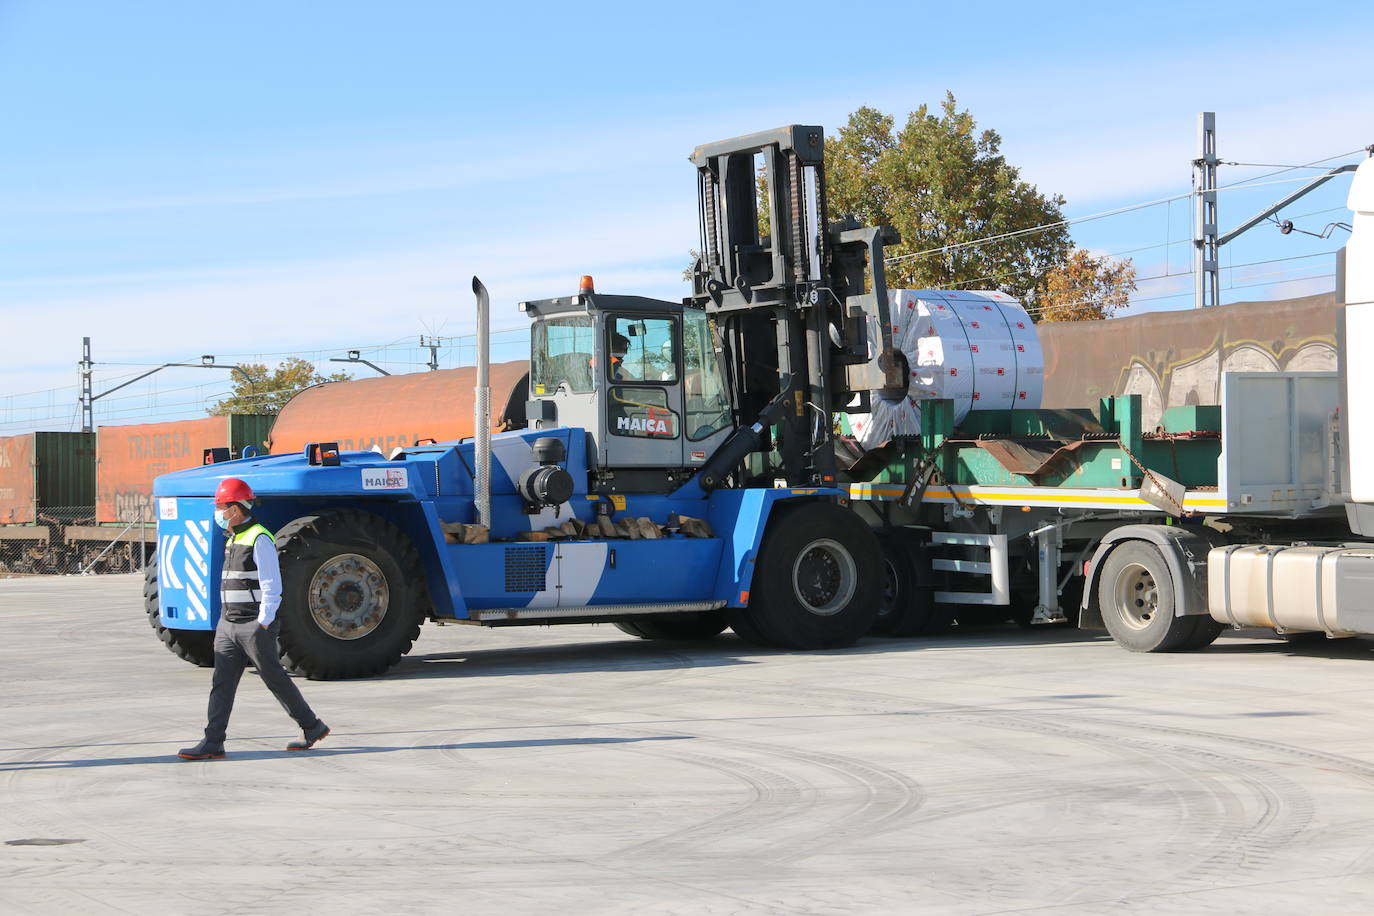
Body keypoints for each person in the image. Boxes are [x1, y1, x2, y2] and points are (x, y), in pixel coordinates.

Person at [178, 478, 329, 760]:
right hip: (228, 624)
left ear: (235, 509)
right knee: (221, 683)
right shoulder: (234, 537)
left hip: (252, 625)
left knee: (274, 678)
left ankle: (311, 726)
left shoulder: (260, 538)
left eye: (221, 507)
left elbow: (272, 584)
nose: (219, 513)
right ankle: (213, 742)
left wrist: (263, 621)